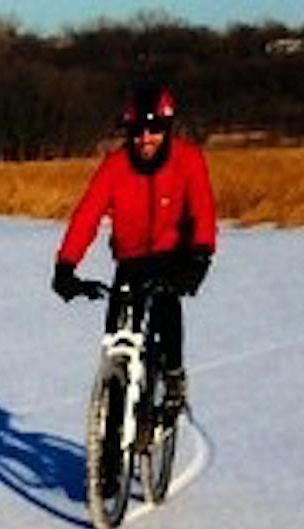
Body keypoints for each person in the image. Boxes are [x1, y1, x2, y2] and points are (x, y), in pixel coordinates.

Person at [51, 76, 217, 420]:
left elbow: (203, 210)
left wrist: (200, 256)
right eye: (137, 132)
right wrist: (66, 265)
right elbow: (88, 215)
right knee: (118, 329)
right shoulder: (115, 166)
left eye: (154, 131)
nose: (145, 139)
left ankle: (173, 376)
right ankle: (113, 410)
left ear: (167, 130)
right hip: (131, 258)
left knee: (166, 305)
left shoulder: (187, 159)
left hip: (173, 253)